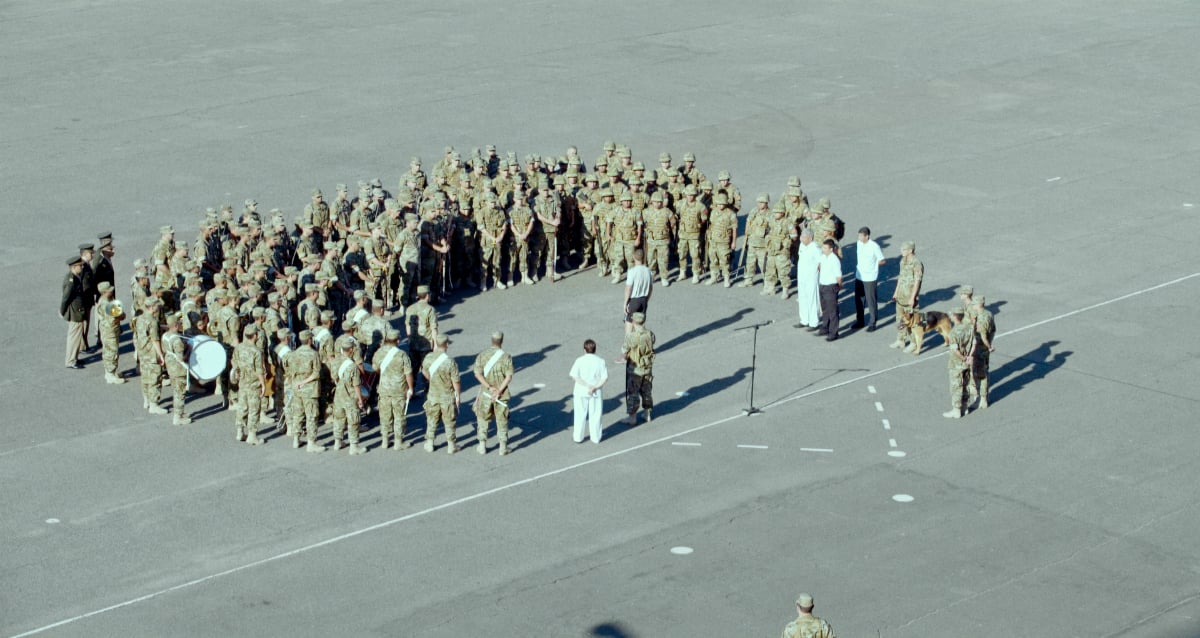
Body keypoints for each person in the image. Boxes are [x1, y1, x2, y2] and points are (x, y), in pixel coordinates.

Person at [473, 331, 514, 455]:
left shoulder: (482, 355)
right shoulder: (506, 357)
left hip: (486, 393)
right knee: (502, 420)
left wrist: (489, 387)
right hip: (502, 394)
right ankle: (503, 447)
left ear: (491, 340)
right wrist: (499, 390)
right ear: (502, 341)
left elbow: (477, 374)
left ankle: (482, 446)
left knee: (483, 419)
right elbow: (509, 376)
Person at [374, 329, 414, 451]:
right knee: (399, 416)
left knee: (385, 415)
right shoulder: (402, 355)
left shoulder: (379, 352)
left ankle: (385, 441)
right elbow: (408, 373)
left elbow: (375, 368)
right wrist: (411, 388)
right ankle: (398, 442)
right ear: (397, 340)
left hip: (384, 389)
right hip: (399, 390)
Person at [422, 334, 461, 453]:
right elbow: (456, 382)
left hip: (433, 395)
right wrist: (458, 396)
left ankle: (429, 443)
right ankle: (451, 445)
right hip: (447, 396)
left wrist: (432, 381)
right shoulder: (450, 362)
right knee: (449, 421)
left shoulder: (428, 357)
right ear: (447, 344)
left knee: (432, 419)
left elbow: (425, 373)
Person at [289, 330, 325, 452]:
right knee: (311, 416)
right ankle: (311, 443)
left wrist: (297, 383)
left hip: (296, 388)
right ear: (310, 340)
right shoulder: (313, 354)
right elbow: (316, 373)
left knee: (298, 414)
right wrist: (304, 382)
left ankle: (296, 439)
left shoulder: (294, 353)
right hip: (309, 389)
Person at [569, 339, 608, 443]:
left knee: (579, 414)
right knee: (595, 414)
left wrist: (587, 386)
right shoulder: (600, 361)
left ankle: (578, 437)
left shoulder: (579, 360)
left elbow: (574, 376)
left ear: (584, 350)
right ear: (595, 349)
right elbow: (604, 378)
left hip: (580, 391)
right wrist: (594, 387)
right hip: (595, 392)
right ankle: (595, 437)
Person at [233, 324, 267, 444]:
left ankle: (240, 432)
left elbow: (234, 363)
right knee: (254, 408)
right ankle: (252, 435)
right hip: (253, 383)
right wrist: (263, 384)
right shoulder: (256, 351)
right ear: (255, 335)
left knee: (242, 406)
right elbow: (259, 370)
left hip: (242, 381)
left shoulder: (239, 347)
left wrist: (237, 374)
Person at [134, 297, 168, 415]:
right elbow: (155, 339)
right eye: (157, 306)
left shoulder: (140, 318)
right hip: (151, 353)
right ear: (152, 307)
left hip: (143, 352)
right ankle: (154, 404)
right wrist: (161, 355)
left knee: (145, 377)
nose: (158, 307)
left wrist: (164, 327)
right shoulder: (153, 321)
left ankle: (146, 400)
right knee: (155, 378)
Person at [621, 312, 655, 425]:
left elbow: (625, 352)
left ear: (634, 322)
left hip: (635, 369)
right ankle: (647, 414)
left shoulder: (631, 336)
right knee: (646, 391)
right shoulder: (650, 334)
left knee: (633, 392)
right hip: (647, 367)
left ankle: (632, 417)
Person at [890, 241, 924, 352]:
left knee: (911, 321)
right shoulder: (903, 261)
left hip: (909, 296)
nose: (902, 252)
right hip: (901, 295)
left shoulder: (917, 263)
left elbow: (917, 282)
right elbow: (900, 277)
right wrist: (896, 291)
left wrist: (912, 297)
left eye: (904, 250)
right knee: (900, 318)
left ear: (910, 250)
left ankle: (914, 342)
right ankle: (900, 340)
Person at [161, 312, 192, 425]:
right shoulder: (177, 340)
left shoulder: (165, 336)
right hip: (178, 369)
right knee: (180, 393)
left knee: (176, 391)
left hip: (170, 366)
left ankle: (180, 412)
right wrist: (188, 350)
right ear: (175, 325)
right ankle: (178, 417)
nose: (180, 325)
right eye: (179, 323)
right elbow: (181, 358)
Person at [852, 226, 885, 331]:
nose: (859, 237)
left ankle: (872, 322)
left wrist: (874, 267)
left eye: (861, 236)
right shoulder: (859, 243)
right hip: (859, 275)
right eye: (859, 235)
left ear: (867, 236)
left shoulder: (874, 246)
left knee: (871, 300)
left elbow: (882, 260)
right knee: (859, 299)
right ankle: (860, 321)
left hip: (870, 277)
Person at [945, 307, 976, 419]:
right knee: (966, 384)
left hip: (956, 363)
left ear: (954, 316)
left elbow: (955, 350)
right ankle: (965, 407)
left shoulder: (953, 332)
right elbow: (974, 344)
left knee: (956, 386)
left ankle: (956, 410)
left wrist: (963, 358)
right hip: (967, 361)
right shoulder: (969, 328)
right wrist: (969, 356)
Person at [95, 282, 126, 383]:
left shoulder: (107, 300)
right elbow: (118, 316)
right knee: (111, 351)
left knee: (111, 350)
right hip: (109, 330)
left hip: (110, 329)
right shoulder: (106, 303)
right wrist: (121, 315)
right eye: (109, 290)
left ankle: (112, 371)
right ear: (104, 292)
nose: (111, 291)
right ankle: (110, 374)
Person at [61, 255, 88, 369]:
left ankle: (75, 358)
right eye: (80, 266)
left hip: (78, 311)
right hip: (75, 312)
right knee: (74, 337)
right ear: (74, 267)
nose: (81, 267)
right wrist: (62, 311)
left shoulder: (75, 276)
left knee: (77, 337)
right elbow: (66, 297)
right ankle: (70, 361)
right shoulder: (71, 280)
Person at [969, 295, 996, 409]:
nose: (973, 305)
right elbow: (993, 329)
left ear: (978, 304)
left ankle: (982, 398)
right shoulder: (989, 314)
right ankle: (983, 397)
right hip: (983, 348)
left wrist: (989, 346)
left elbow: (983, 336)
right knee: (983, 371)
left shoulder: (981, 318)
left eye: (974, 304)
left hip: (980, 348)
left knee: (981, 373)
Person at [793, 230, 821, 330]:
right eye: (801, 236)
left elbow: (820, 263)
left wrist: (817, 275)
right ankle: (804, 320)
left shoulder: (815, 248)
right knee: (802, 298)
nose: (801, 238)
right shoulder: (802, 245)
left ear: (811, 238)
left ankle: (814, 322)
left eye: (804, 237)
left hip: (811, 278)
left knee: (812, 299)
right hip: (801, 277)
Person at [816, 240, 843, 341]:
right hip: (822, 285)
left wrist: (839, 286)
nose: (823, 249)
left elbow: (839, 277)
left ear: (831, 249)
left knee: (833, 311)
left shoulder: (834, 260)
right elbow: (819, 266)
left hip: (831, 286)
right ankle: (825, 327)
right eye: (823, 248)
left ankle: (834, 332)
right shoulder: (823, 257)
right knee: (825, 309)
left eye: (825, 248)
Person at [623, 248, 652, 334]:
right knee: (640, 322)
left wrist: (625, 303)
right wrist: (647, 299)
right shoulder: (648, 271)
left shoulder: (632, 271)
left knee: (629, 321)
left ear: (634, 257)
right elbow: (650, 288)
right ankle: (640, 343)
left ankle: (628, 343)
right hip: (644, 300)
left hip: (634, 300)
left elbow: (628, 288)